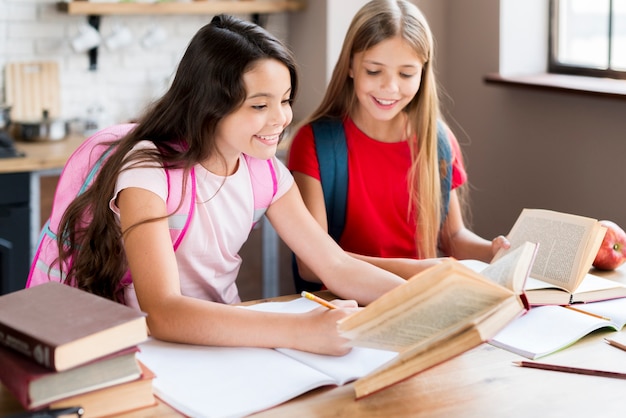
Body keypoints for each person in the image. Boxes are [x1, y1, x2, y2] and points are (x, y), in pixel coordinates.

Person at [44, 15, 405, 356]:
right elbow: (163, 312)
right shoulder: (148, 171)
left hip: (223, 341)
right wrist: (302, 330)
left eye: (284, 100)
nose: (280, 118)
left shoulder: (263, 170)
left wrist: (422, 301)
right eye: (260, 105)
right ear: (210, 107)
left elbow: (335, 266)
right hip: (146, 349)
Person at [287, 0, 509, 290]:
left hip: (421, 299)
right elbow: (311, 264)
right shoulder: (314, 142)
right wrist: (415, 270)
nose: (390, 87)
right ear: (351, 66)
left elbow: (453, 238)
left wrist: (494, 252)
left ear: (422, 73)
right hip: (346, 305)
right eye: (374, 71)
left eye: (406, 74)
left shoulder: (437, 140)